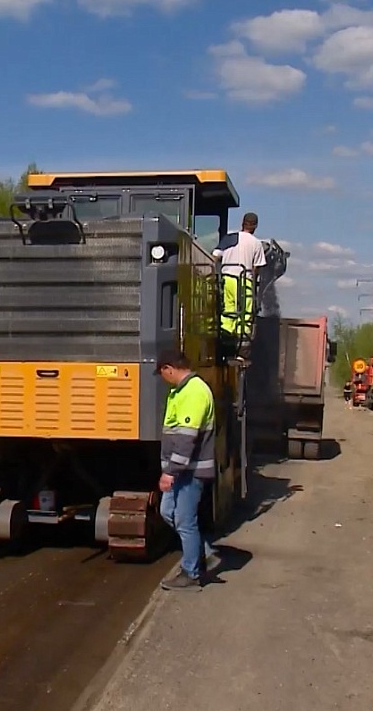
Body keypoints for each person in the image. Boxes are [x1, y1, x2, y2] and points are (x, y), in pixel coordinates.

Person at [154, 349, 222, 591]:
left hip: (190, 471)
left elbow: (186, 438)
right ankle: (204, 551)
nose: (163, 378)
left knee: (184, 520)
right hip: (182, 469)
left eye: (162, 373)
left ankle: (191, 573)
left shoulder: (194, 392)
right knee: (167, 511)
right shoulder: (180, 391)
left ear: (169, 368)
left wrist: (170, 472)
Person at [212, 212, 267, 358]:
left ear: (242, 223)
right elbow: (257, 267)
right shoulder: (256, 243)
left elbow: (215, 256)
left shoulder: (229, 238)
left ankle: (226, 344)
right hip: (244, 281)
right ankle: (242, 351)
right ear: (255, 226)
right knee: (245, 313)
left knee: (229, 310)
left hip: (227, 279)